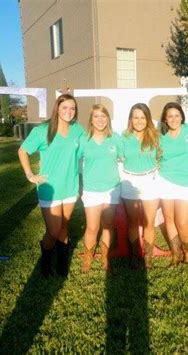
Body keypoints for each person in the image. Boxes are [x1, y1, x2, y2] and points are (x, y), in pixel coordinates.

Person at [18, 94, 85, 278]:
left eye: (72, 108)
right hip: (50, 188)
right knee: (53, 230)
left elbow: (86, 153)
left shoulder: (78, 130)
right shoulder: (43, 130)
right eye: (65, 108)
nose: (69, 111)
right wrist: (30, 174)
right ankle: (46, 259)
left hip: (70, 187)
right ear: (57, 108)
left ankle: (62, 261)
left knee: (64, 226)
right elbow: (23, 151)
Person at [79, 104, 123, 273]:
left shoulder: (116, 138)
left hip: (112, 188)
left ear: (108, 119)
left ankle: (106, 258)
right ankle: (87, 260)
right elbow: (70, 158)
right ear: (91, 119)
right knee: (92, 227)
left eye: (103, 116)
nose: (100, 120)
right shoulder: (84, 140)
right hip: (91, 190)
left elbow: (128, 154)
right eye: (96, 116)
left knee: (108, 225)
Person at [120, 103, 161, 269]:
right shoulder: (123, 138)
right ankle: (135, 256)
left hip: (150, 180)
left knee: (149, 222)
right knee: (133, 222)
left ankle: (148, 259)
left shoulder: (156, 137)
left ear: (148, 119)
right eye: (135, 117)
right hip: (130, 181)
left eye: (142, 117)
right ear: (131, 119)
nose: (139, 121)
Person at [157, 102, 188, 266]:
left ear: (182, 116)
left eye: (176, 115)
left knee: (182, 222)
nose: (173, 119)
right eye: (170, 116)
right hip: (165, 180)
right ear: (165, 120)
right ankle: (176, 254)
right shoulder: (161, 138)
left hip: (187, 182)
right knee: (169, 219)